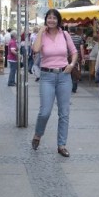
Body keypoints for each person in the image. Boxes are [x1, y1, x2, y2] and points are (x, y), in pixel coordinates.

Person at [31, 9, 79, 157]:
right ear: (46, 20)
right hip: (47, 76)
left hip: (64, 76)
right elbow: (35, 49)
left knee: (64, 112)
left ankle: (61, 145)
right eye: (49, 18)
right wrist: (40, 31)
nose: (51, 20)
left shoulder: (64, 35)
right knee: (45, 111)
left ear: (58, 20)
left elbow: (74, 52)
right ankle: (38, 134)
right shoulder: (42, 35)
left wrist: (72, 64)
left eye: (54, 18)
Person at [68, 27, 84, 93]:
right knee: (75, 72)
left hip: (68, 57)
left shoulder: (67, 38)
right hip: (77, 57)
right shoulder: (79, 38)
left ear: (69, 30)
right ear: (75, 31)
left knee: (68, 71)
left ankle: (68, 87)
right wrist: (83, 58)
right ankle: (74, 88)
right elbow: (81, 48)